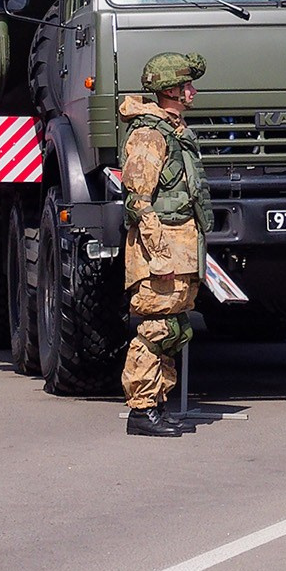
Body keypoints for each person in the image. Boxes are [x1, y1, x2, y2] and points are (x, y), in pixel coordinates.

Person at [120, 53, 210, 437]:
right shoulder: (149, 135)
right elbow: (138, 200)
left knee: (174, 328)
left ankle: (157, 403)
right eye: (186, 85)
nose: (192, 91)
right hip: (163, 252)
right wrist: (158, 255)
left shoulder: (175, 130)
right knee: (155, 328)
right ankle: (141, 410)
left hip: (183, 249)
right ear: (170, 89)